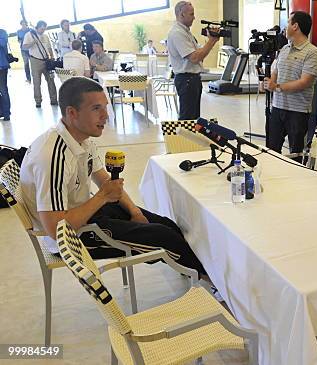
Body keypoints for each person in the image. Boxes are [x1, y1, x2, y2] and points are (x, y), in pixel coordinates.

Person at [19, 76, 207, 278]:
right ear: (72, 113)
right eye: (96, 109)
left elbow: (106, 182)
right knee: (164, 238)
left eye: (105, 107)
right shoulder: (52, 156)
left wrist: (134, 212)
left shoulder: (82, 140)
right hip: (71, 238)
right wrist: (101, 197)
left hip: (84, 212)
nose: (105, 116)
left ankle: (192, 271)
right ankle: (212, 283)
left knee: (166, 225)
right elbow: (56, 230)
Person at [263, 11, 317, 154]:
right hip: (277, 107)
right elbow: (276, 70)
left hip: (298, 112)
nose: (285, 26)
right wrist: (270, 82)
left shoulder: (312, 52)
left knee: (295, 153)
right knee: (272, 150)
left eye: (288, 22)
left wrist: (276, 87)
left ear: (295, 26)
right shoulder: (284, 49)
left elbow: (305, 82)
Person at [167, 1, 219, 120]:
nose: (194, 17)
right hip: (186, 80)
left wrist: (212, 41)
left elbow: (199, 55)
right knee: (187, 120)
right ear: (181, 14)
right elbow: (194, 58)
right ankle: (183, 139)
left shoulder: (185, 32)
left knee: (194, 119)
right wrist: (211, 41)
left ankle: (191, 138)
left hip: (192, 79)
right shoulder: (177, 33)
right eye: (191, 14)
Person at [21, 20, 57, 108]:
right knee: (37, 82)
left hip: (46, 60)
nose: (43, 31)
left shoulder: (45, 36)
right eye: (41, 29)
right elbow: (24, 47)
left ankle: (54, 99)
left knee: (51, 81)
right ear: (37, 27)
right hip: (35, 61)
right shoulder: (29, 35)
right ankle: (38, 101)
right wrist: (34, 42)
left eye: (44, 29)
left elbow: (49, 48)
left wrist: (51, 57)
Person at [0, 28, 11, 121]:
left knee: (3, 89)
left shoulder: (2, 32)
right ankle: (1, 111)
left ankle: (6, 113)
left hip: (2, 66)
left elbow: (3, 44)